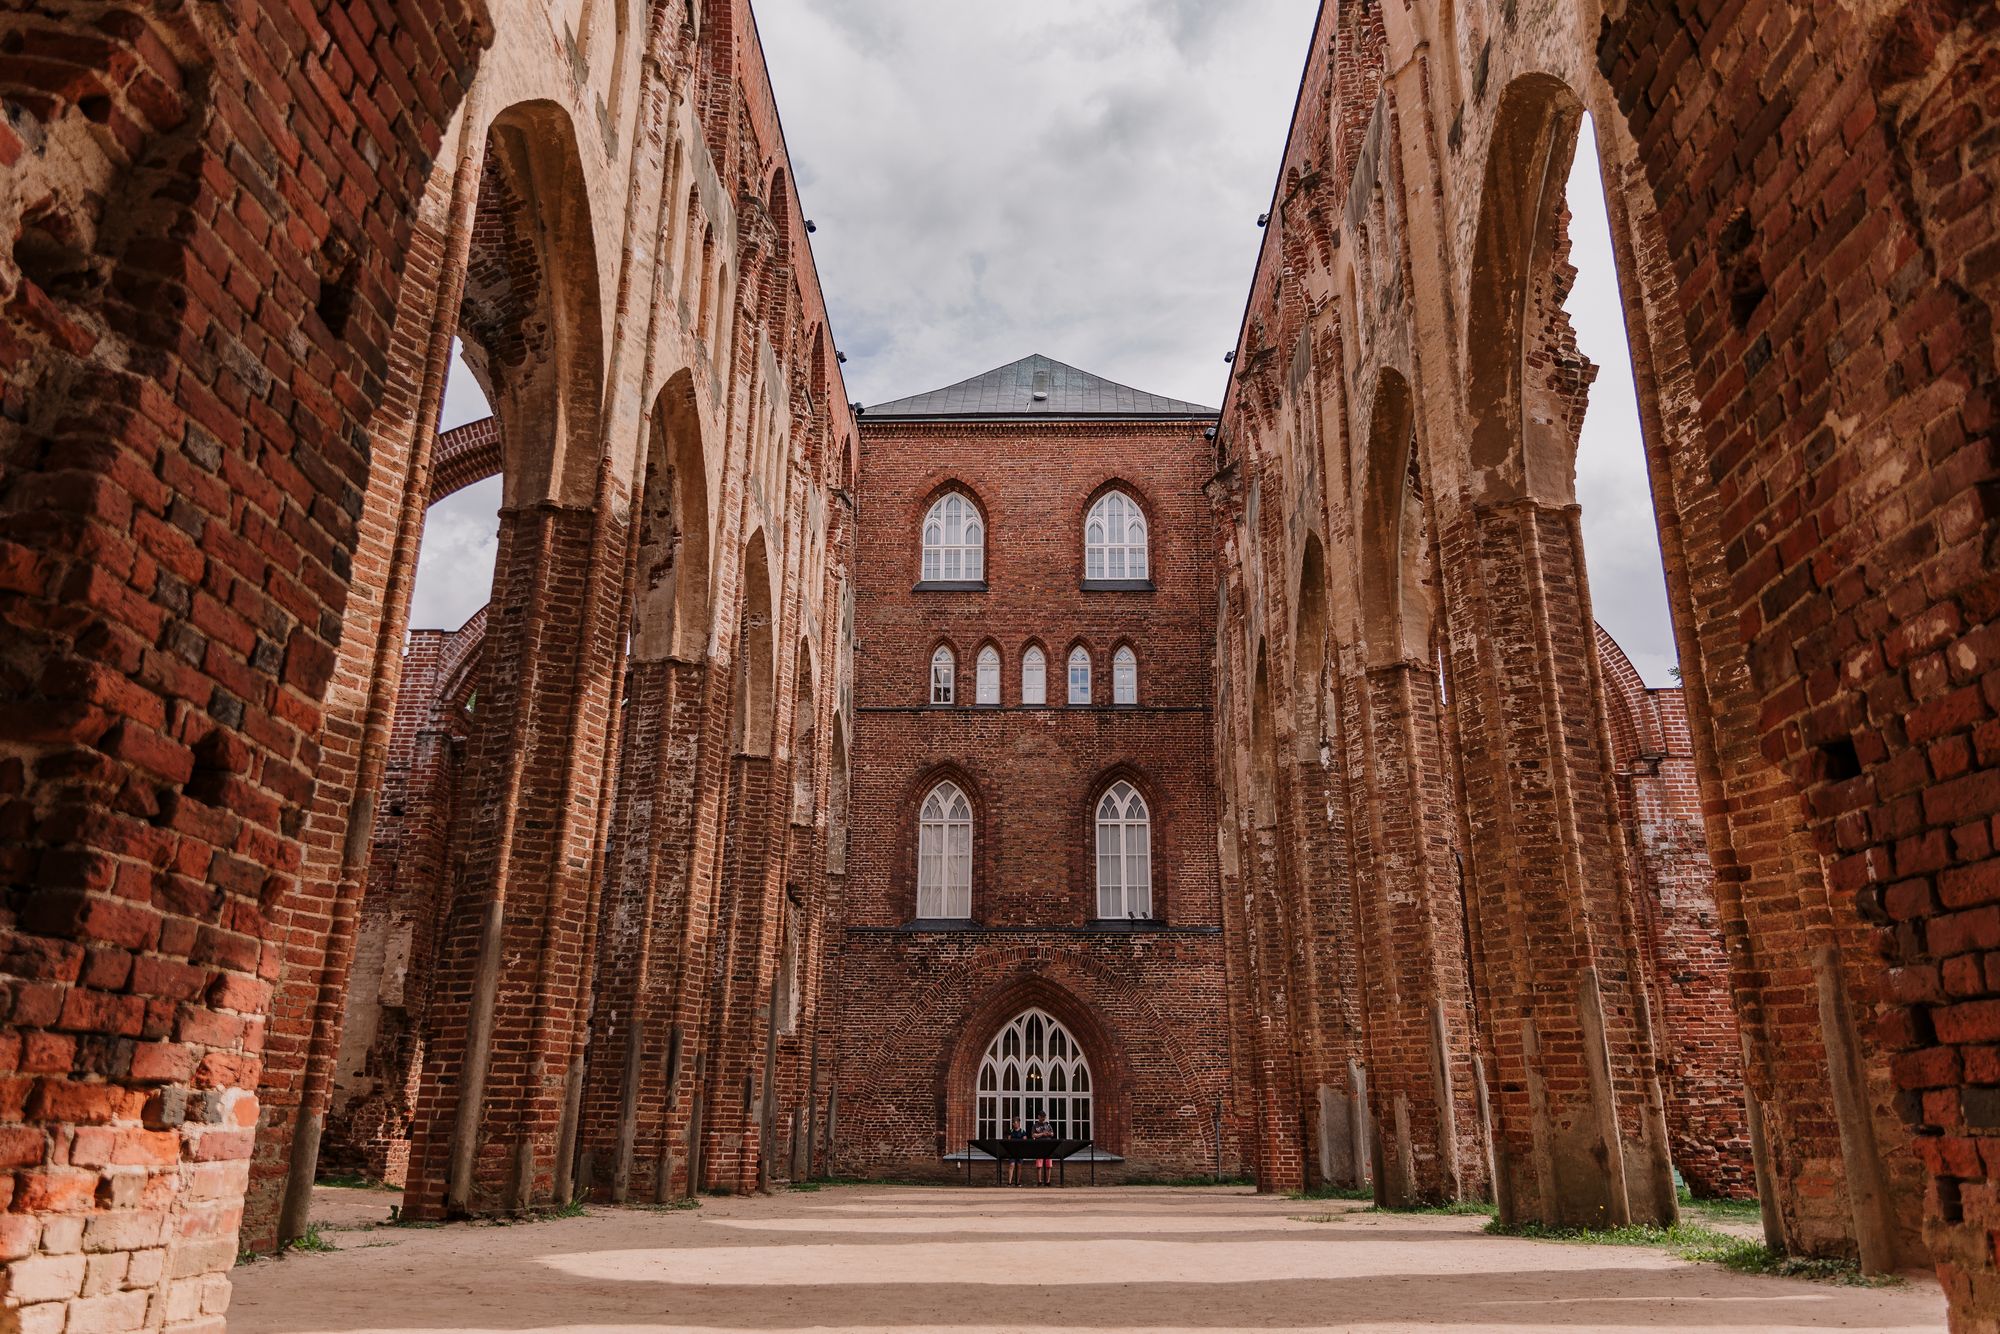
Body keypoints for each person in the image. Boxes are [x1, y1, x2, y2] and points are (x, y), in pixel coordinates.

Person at [1031, 1113, 1056, 1186]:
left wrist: (1047, 1134)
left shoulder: (1048, 1125)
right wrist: (1042, 1134)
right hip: (1039, 1146)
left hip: (1048, 1146)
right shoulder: (1035, 1125)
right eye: (1042, 1117)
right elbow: (1033, 1135)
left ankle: (1048, 1181)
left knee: (1049, 1165)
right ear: (1038, 1117)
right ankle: (1039, 1181)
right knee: (1039, 1165)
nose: (1043, 1119)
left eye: (1044, 1117)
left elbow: (1052, 1134)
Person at [1004, 1117, 1028, 1185]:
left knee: (1019, 1166)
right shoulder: (1010, 1131)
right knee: (1011, 1165)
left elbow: (1025, 1141)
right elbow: (1008, 1140)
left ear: (1019, 1123)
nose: (1014, 1124)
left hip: (1020, 1151)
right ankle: (1009, 1182)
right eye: (1013, 1123)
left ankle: (1018, 1182)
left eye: (1015, 1123)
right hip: (1012, 1151)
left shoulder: (1023, 1132)